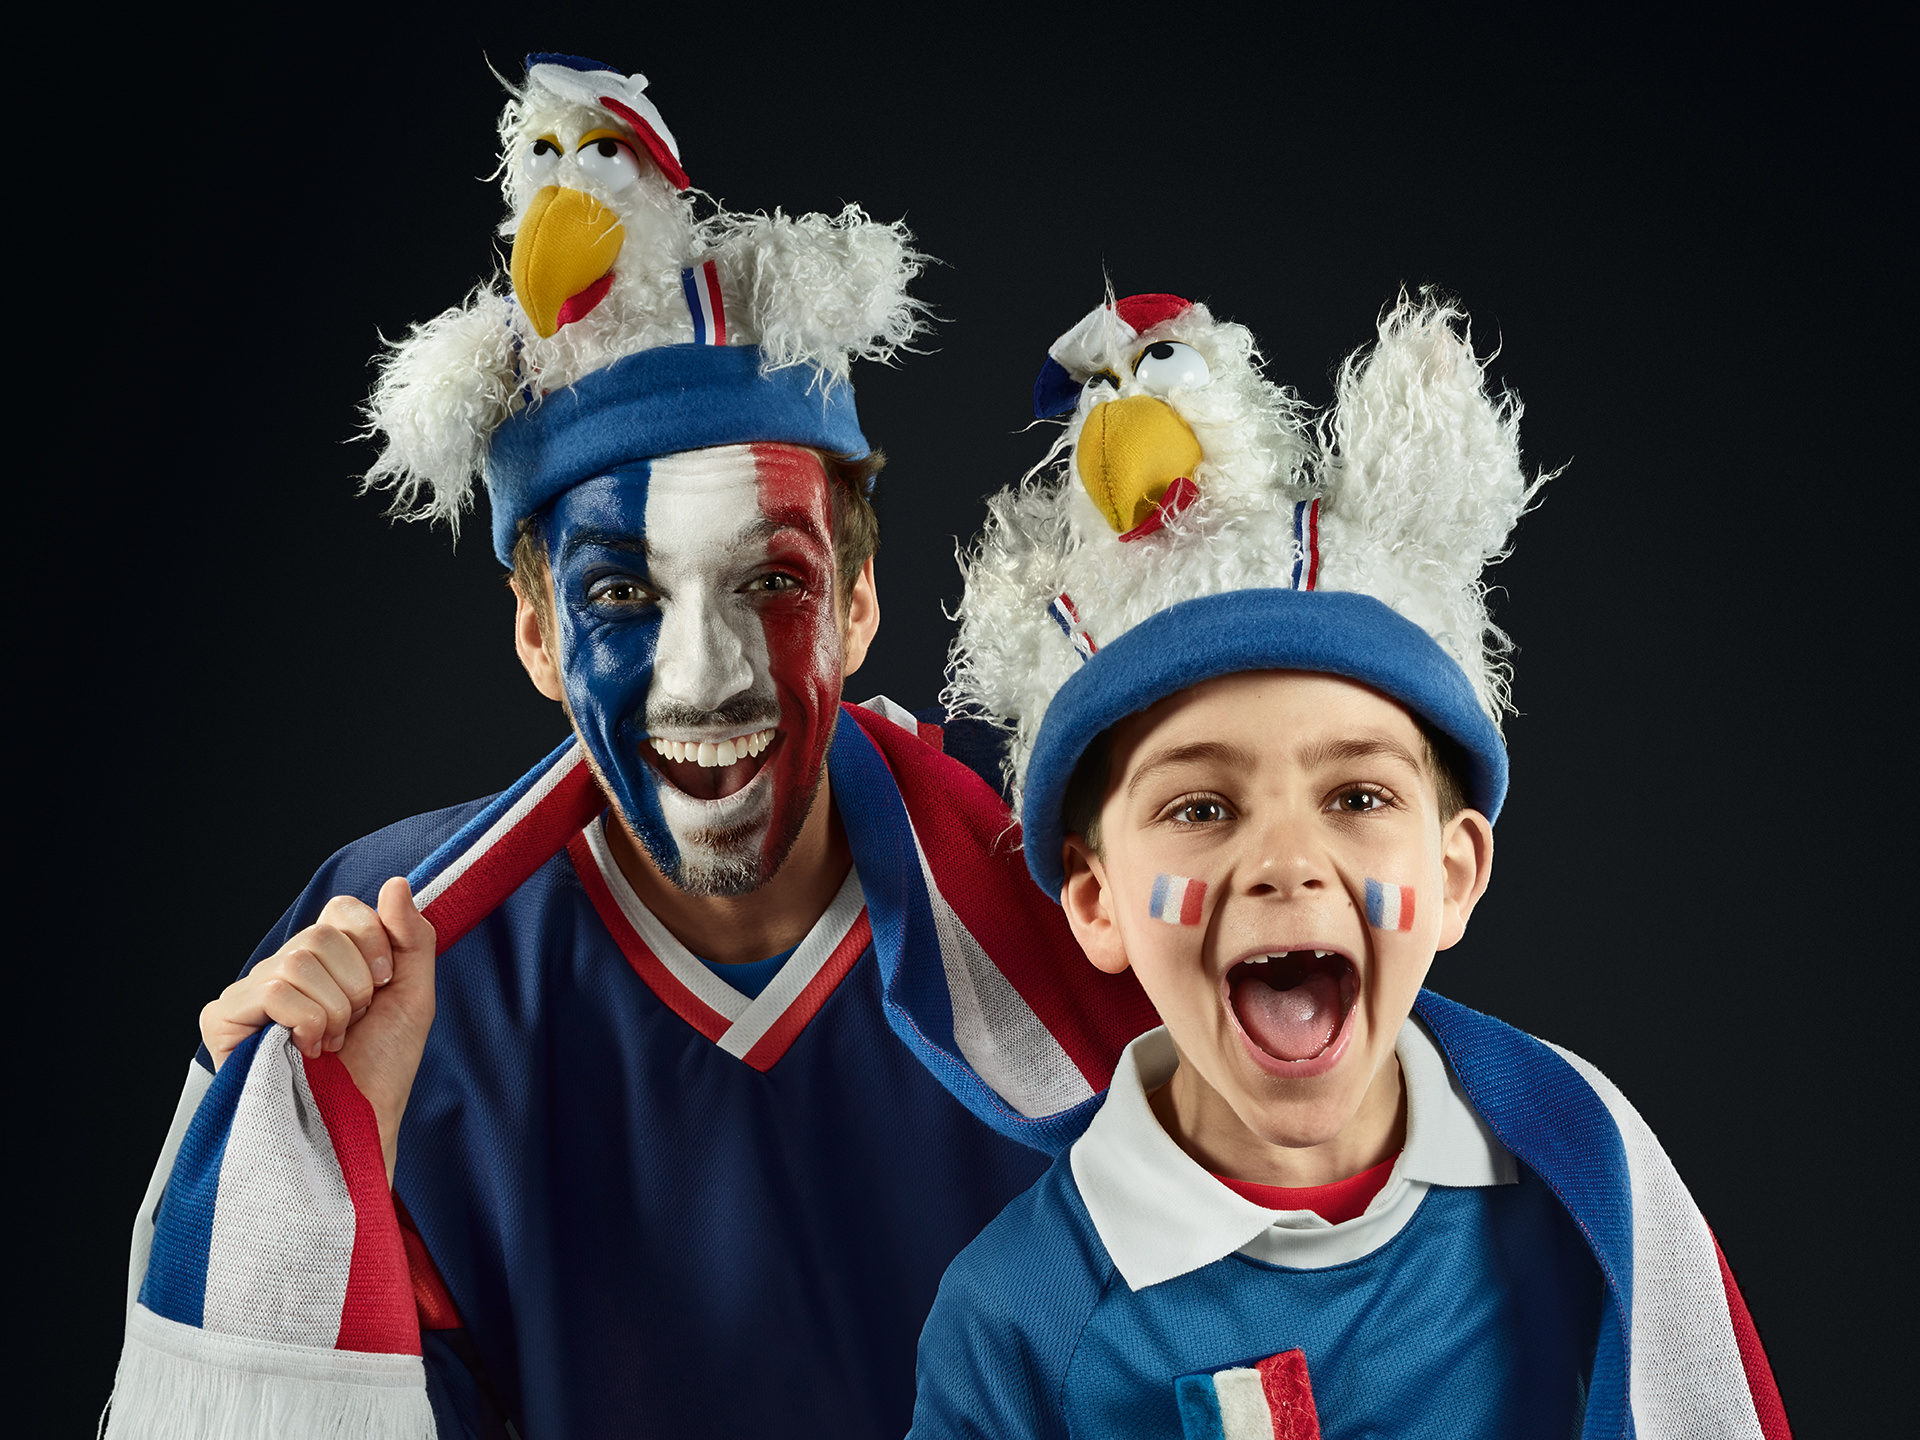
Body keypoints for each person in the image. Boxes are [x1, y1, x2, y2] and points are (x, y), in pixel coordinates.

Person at [108, 57, 1153, 1440]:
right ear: (536, 633)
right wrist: (306, 1171)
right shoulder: (381, 950)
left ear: (858, 605)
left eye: (774, 584)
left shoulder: (1063, 888)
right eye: (619, 595)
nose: (706, 678)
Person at [910, 290, 1790, 1437]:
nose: (1285, 860)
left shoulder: (1578, 1203)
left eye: (1359, 795)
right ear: (1095, 900)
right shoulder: (1017, 1317)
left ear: (1458, 872)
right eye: (1202, 805)